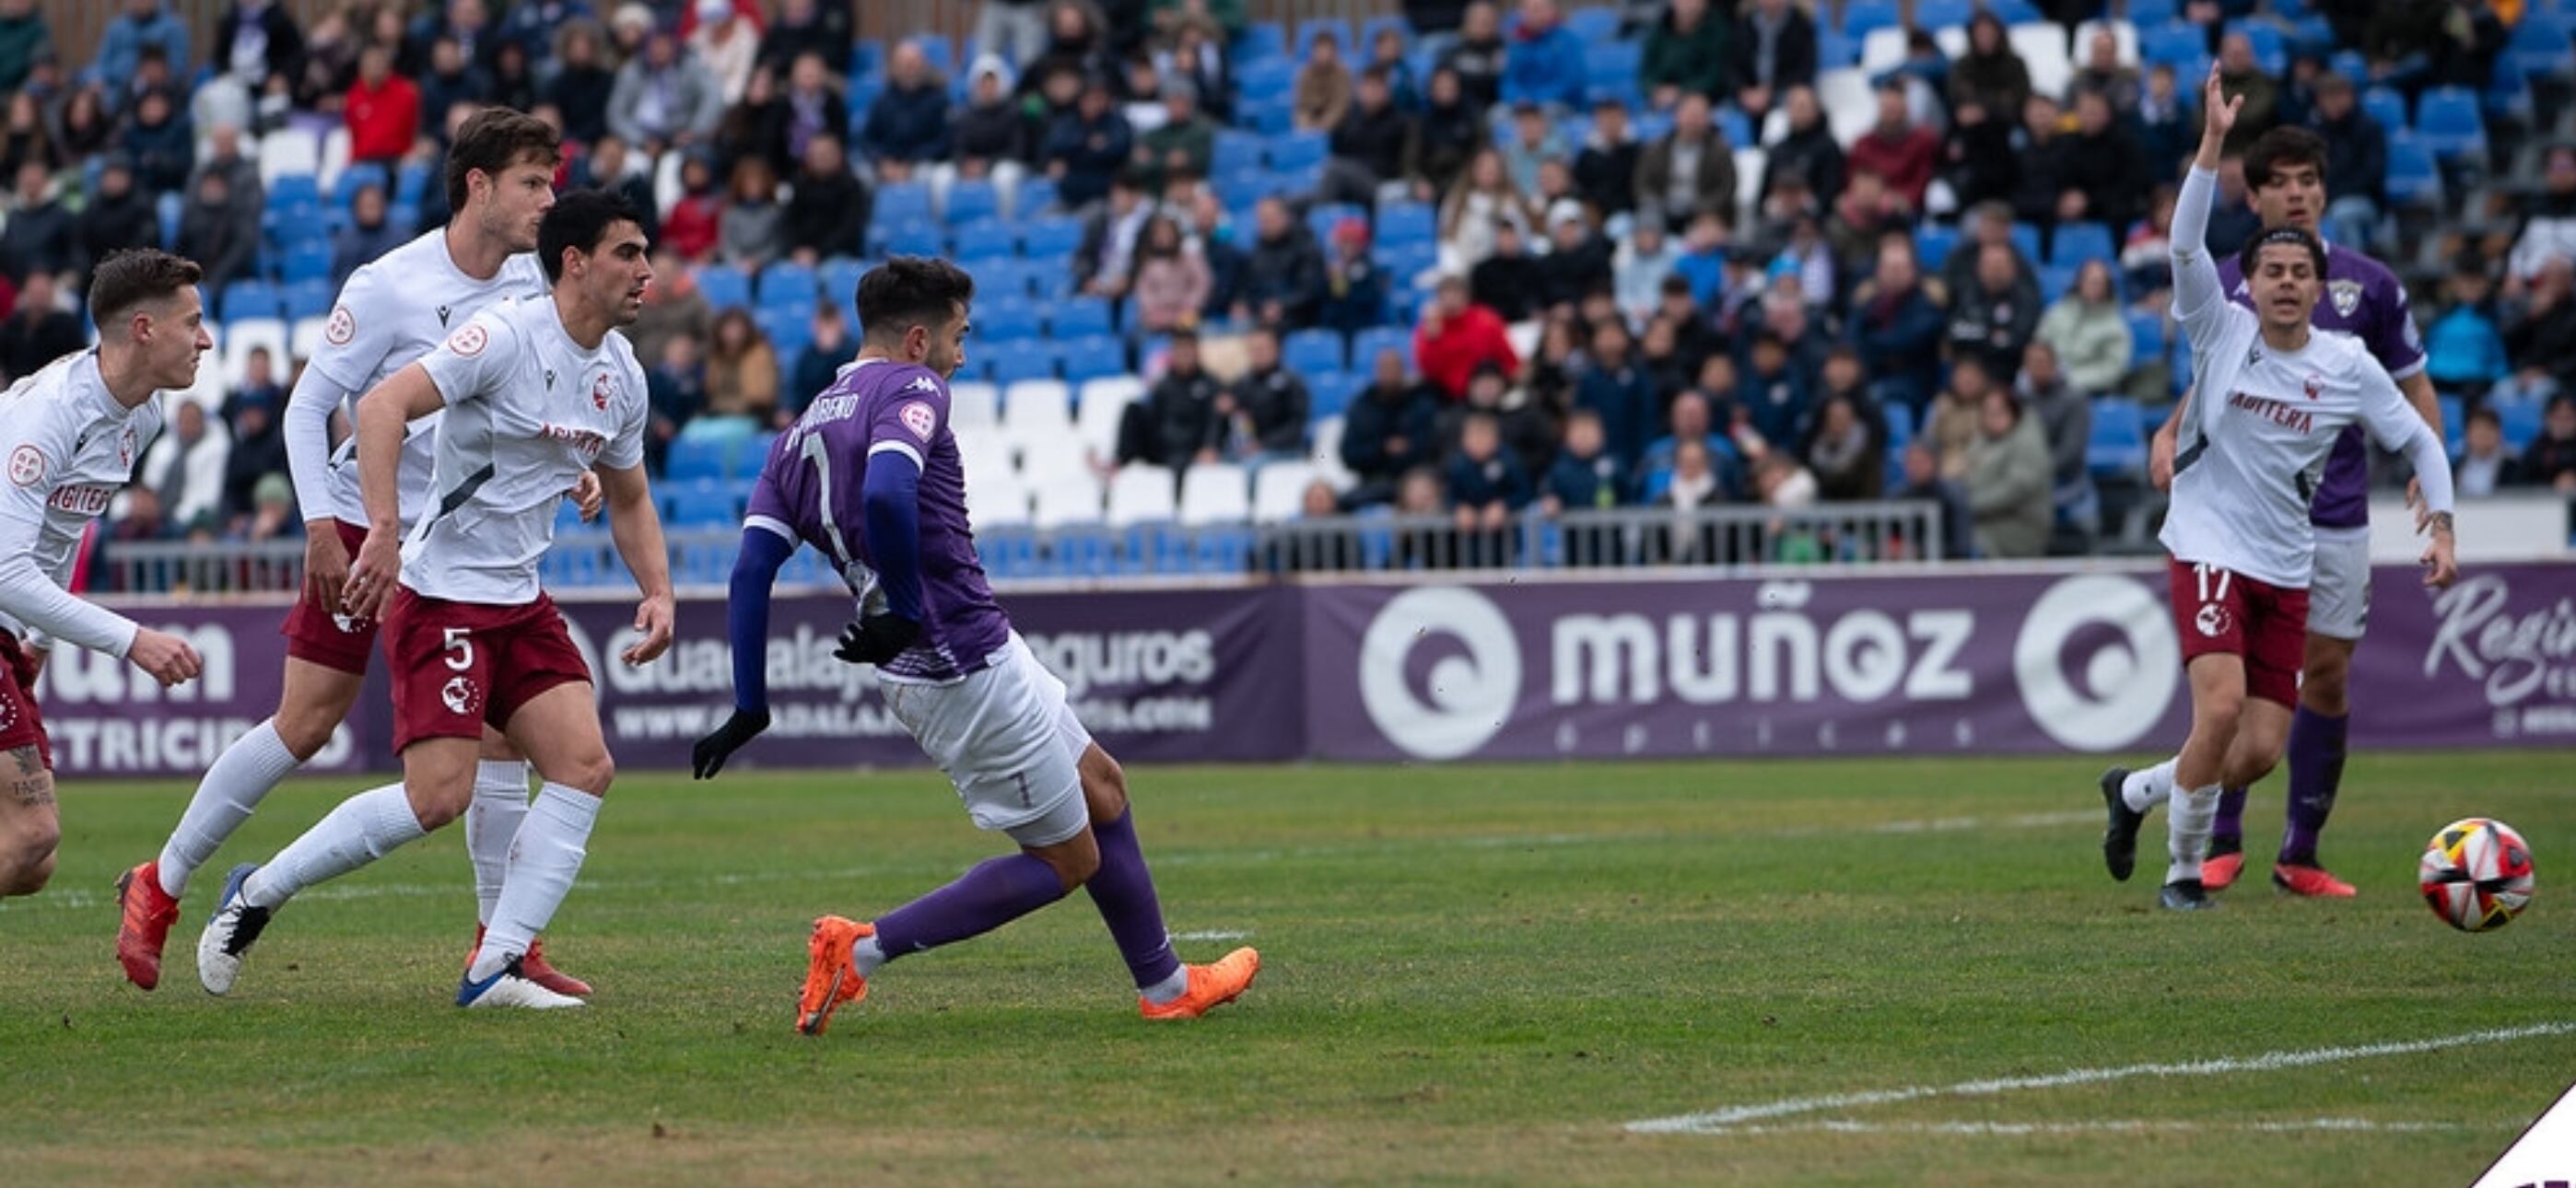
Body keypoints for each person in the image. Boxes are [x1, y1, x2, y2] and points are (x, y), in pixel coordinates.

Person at [688, 256, 1259, 1032]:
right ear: (918, 340)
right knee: (1069, 861)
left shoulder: (798, 433)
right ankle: (859, 952)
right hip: (956, 658)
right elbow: (889, 487)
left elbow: (751, 567)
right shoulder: (914, 387)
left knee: (1104, 788)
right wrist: (908, 603)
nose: (964, 352)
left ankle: (1165, 986)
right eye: (959, 335)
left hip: (963, 649)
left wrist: (749, 704)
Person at [119, 111, 600, 995]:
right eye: (533, 183)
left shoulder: (537, 287)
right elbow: (310, 410)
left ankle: (500, 949)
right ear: (479, 187)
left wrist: (564, 469)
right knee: (306, 723)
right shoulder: (391, 284)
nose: (550, 200)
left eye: (553, 182)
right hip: (359, 523)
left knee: (503, 741)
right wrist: (318, 528)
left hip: (458, 543)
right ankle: (164, 881)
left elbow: (523, 402)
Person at [194, 190, 673, 1008]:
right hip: (442, 595)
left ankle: (498, 965)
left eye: (646, 253)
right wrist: (380, 529)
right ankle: (258, 890)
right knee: (437, 797)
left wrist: (658, 591)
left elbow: (629, 497)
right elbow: (380, 406)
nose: (646, 272)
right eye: (628, 254)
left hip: (519, 601)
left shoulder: (621, 376)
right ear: (575, 263)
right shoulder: (504, 336)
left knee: (584, 766)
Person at [2099, 68, 2456, 914]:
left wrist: (2440, 522)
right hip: (2210, 546)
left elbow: (2415, 435)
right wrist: (2213, 143)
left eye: (2300, 272)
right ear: (2248, 285)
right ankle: (2185, 875)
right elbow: (2185, 246)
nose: (2286, 282)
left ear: (2316, 283)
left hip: (2291, 559)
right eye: (2272, 273)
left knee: (2258, 748)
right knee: (2217, 712)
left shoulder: (2345, 363)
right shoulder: (2218, 324)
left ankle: (2137, 793)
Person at [0, 250, 211, 899]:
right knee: (31, 835)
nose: (205, 339)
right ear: (143, 330)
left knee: (33, 866)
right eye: (192, 323)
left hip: (11, 633)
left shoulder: (140, 414)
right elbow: (6, 572)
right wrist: (133, 640)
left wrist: (39, 641)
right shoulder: (48, 416)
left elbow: (63, 532)